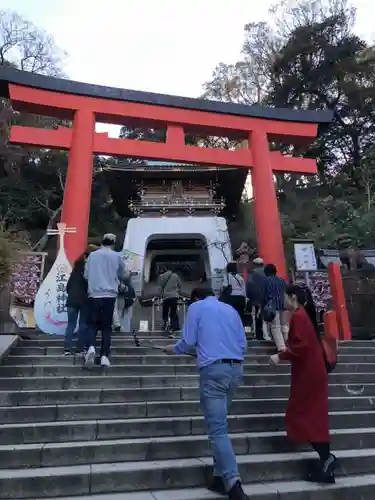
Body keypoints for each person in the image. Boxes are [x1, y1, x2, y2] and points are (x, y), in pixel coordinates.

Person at [164, 287, 249, 500]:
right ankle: (219, 477)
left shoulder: (196, 307)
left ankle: (233, 483)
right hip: (236, 369)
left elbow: (188, 340)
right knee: (220, 423)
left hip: (213, 372)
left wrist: (172, 349)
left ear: (195, 297)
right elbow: (243, 344)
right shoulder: (230, 309)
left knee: (217, 430)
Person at [269, 284, 338, 483]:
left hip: (308, 374)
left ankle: (327, 458)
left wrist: (280, 356)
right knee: (311, 417)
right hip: (311, 372)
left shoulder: (298, 317)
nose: (283, 301)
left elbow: (302, 346)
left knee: (304, 416)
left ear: (292, 297)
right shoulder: (303, 316)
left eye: (285, 297)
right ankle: (327, 464)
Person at [84, 233, 125, 367]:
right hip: (109, 295)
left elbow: (85, 275)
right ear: (113, 242)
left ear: (102, 241)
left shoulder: (92, 256)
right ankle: (104, 356)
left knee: (92, 324)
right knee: (106, 327)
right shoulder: (117, 256)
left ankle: (90, 347)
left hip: (94, 294)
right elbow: (123, 274)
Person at [64, 248, 93, 355]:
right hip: (84, 300)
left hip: (71, 300)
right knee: (82, 324)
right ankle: (80, 348)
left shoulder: (75, 271)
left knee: (70, 324)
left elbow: (68, 287)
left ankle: (67, 349)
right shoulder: (89, 271)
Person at [263, 264, 288, 351]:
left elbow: (264, 295)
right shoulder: (282, 280)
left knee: (275, 326)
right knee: (284, 325)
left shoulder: (266, 281)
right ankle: (287, 341)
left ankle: (281, 347)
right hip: (284, 305)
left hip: (273, 306)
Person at [246, 258, 269, 341]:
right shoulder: (267, 273)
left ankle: (259, 335)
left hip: (256, 300)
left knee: (257, 317)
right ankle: (269, 335)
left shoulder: (252, 274)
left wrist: (251, 298)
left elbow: (249, 287)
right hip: (267, 299)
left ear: (254, 264)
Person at [158, 266, 182, 332]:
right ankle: (174, 326)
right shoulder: (175, 275)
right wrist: (178, 291)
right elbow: (180, 286)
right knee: (173, 312)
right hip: (174, 296)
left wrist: (160, 295)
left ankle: (165, 323)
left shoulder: (162, 276)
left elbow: (160, 287)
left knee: (165, 311)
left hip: (165, 296)